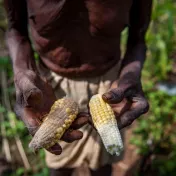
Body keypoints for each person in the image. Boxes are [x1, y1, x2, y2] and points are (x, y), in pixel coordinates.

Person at [4, 0, 152, 175]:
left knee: (102, 166)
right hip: (50, 89)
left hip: (110, 88)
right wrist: (23, 71)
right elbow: (15, 29)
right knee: (59, 168)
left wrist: (131, 74)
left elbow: (138, 37)